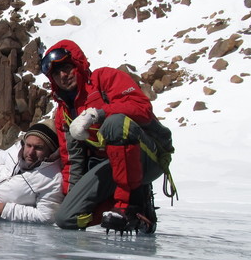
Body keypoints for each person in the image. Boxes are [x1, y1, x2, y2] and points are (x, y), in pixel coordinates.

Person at [40, 39, 174, 234]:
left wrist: (98, 114)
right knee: (66, 218)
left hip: (148, 156)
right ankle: (130, 210)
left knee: (116, 123)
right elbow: (72, 161)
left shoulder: (105, 79)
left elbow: (142, 109)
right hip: (112, 165)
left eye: (67, 68)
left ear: (78, 65)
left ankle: (129, 205)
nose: (63, 75)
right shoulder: (64, 113)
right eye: (56, 73)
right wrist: (72, 198)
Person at [0, 120, 64, 223]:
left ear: (51, 149)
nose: (30, 152)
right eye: (28, 145)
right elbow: (0, 157)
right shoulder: (18, 150)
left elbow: (46, 216)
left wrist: (6, 210)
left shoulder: (52, 179)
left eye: (38, 148)